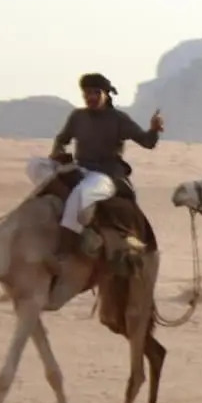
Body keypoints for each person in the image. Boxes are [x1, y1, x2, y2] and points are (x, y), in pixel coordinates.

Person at [47, 73, 164, 267]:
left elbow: (147, 142)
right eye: (87, 93)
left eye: (95, 93)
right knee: (35, 165)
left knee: (80, 194)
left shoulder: (118, 119)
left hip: (105, 175)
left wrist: (154, 129)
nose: (90, 97)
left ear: (106, 94)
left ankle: (64, 250)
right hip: (80, 169)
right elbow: (62, 139)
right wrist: (57, 152)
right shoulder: (78, 116)